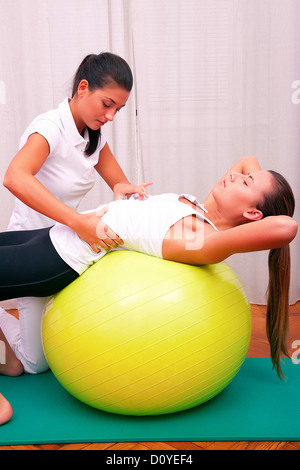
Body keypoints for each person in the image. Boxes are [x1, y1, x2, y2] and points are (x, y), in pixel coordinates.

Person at [0, 157, 297, 380]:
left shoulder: (204, 240)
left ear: (253, 213)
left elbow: (286, 226)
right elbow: (247, 159)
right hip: (51, 233)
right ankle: (10, 363)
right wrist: (257, 183)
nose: (235, 175)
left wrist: (264, 199)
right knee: (25, 364)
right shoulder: (202, 209)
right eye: (242, 176)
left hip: (57, 259)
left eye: (245, 182)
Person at [0, 52, 152, 377]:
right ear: (83, 88)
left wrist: (126, 190)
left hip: (63, 247)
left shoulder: (91, 135)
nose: (111, 116)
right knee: (33, 365)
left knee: (42, 360)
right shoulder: (49, 129)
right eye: (107, 104)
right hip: (31, 247)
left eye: (118, 110)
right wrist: (78, 221)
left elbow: (119, 183)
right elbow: (14, 177)